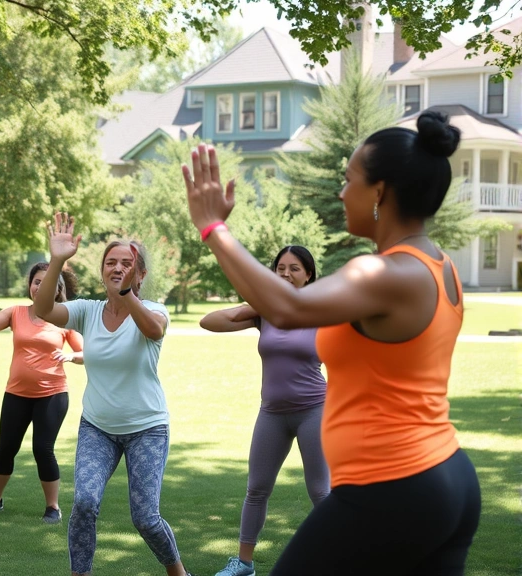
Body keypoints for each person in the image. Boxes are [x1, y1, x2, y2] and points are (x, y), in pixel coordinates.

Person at [182, 111, 481, 575]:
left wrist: (213, 228)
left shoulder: (381, 273)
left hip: (390, 485)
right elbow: (282, 305)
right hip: (448, 477)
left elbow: (287, 307)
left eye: (349, 179)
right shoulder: (441, 267)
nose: (342, 192)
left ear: (379, 192)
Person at [35, 214, 192, 576]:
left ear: (140, 275)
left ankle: (178, 572)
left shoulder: (154, 310)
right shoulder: (87, 311)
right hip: (98, 428)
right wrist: (58, 260)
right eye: (111, 262)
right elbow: (43, 310)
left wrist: (126, 295)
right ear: (102, 270)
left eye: (127, 263)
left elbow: (153, 331)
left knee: (146, 518)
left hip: (147, 428)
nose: (118, 267)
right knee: (85, 503)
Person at [200, 246, 329, 576]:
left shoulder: (322, 313)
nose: (285, 274)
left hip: (313, 410)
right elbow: (209, 321)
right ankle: (243, 563)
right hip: (272, 413)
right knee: (256, 488)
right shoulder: (264, 313)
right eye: (280, 268)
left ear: (309, 275)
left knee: (320, 491)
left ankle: (339, 558)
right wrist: (258, 303)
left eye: (294, 268)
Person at [0, 263, 84, 523]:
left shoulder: (65, 318)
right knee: (6, 448)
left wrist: (70, 356)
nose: (40, 286)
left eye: (47, 281)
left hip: (52, 395)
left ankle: (53, 507)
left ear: (58, 289)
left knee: (43, 449)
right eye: (36, 281)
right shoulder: (16, 313)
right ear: (30, 285)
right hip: (16, 394)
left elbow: (88, 353)